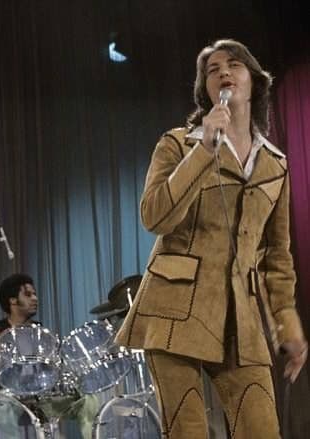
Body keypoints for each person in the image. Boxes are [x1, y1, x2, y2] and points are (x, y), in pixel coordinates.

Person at [115, 39, 307, 438]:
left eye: (233, 65)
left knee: (262, 429)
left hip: (241, 319)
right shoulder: (177, 144)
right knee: (188, 430)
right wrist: (203, 150)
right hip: (174, 309)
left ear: (255, 81)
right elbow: (155, 216)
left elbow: (277, 256)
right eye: (212, 69)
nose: (223, 72)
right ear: (205, 89)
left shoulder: (275, 165)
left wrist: (287, 324)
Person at [0, 274, 100, 439]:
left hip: (43, 396)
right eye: (28, 294)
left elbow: (55, 366)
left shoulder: (41, 331)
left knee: (88, 399)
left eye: (35, 294)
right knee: (2, 410)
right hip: (11, 396)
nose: (35, 299)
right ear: (13, 300)